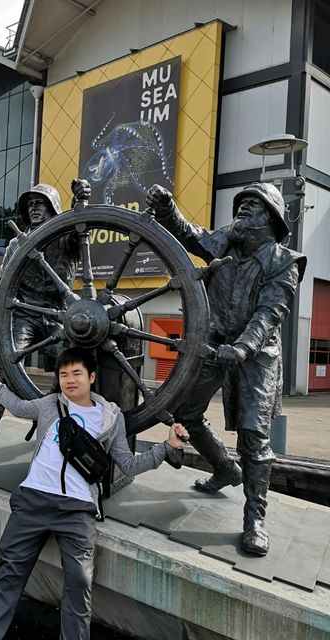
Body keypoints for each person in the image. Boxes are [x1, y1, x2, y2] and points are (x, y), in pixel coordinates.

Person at [0, 347, 188, 639]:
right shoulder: (49, 404)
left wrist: (166, 447)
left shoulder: (110, 417)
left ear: (91, 376)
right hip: (33, 500)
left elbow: (128, 463)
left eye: (76, 373)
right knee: (8, 575)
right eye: (64, 374)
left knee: (79, 582)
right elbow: (17, 405)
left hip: (77, 510)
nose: (70, 380)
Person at [146, 182, 306, 556]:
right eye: (241, 203)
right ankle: (224, 468)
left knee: (254, 436)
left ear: (271, 218)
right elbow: (188, 234)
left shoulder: (285, 262)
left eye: (253, 205)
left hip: (258, 352)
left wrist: (244, 347)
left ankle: (255, 521)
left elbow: (270, 313)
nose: (242, 209)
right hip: (214, 342)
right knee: (185, 413)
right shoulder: (224, 243)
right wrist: (168, 208)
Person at [0, 179, 90, 474]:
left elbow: (81, 228)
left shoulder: (65, 238)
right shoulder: (16, 243)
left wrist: (81, 199)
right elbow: (4, 283)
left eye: (40, 203)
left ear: (53, 207)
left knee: (77, 372)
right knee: (5, 369)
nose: (34, 208)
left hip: (60, 316)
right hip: (25, 314)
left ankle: (71, 437)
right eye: (30, 205)